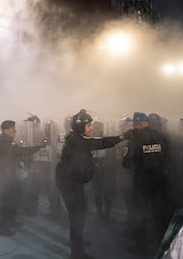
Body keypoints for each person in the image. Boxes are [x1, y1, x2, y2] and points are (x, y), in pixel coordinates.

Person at [56, 109, 127, 259]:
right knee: (77, 216)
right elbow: (100, 142)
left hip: (71, 183)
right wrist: (122, 137)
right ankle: (77, 253)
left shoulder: (76, 138)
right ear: (81, 127)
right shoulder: (78, 141)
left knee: (79, 214)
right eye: (88, 126)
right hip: (70, 184)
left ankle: (78, 243)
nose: (91, 128)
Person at [123, 112, 172, 256]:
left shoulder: (134, 139)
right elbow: (168, 157)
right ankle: (165, 244)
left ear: (137, 123)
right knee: (161, 213)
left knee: (140, 214)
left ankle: (141, 247)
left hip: (142, 182)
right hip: (160, 180)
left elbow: (126, 163)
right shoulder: (160, 136)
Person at [0, 120, 43, 236]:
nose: (15, 131)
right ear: (6, 130)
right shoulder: (5, 142)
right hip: (7, 177)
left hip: (8, 175)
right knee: (8, 202)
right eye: (13, 129)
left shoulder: (4, 140)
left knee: (16, 197)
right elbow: (19, 152)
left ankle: (10, 221)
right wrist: (37, 147)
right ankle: (1, 228)